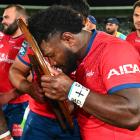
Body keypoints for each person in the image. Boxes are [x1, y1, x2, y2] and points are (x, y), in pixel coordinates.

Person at [9, 5, 140, 140]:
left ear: (68, 39)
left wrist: (72, 90)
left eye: (52, 55)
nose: (52, 62)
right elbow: (92, 101)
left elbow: (132, 114)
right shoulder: (79, 56)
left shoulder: (114, 50)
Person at [0, 4, 29, 140]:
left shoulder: (30, 42)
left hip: (20, 105)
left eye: (6, 17)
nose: (2, 21)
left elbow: (34, 76)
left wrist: (11, 95)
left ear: (20, 20)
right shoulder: (1, 38)